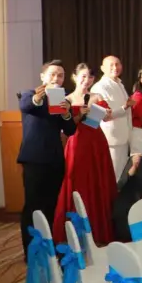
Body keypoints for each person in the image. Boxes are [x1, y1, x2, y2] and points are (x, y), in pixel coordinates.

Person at [53, 62, 118, 244]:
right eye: (83, 76)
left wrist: (106, 113)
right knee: (77, 180)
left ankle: (99, 228)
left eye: (90, 77)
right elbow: (63, 126)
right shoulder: (66, 99)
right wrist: (80, 115)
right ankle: (74, 229)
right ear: (74, 77)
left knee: (98, 181)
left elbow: (107, 117)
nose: (86, 80)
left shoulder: (97, 96)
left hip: (96, 142)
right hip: (76, 142)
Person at [20, 60, 77, 252]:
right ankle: (31, 250)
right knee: (33, 205)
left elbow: (70, 130)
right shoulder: (30, 94)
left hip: (55, 160)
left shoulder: (62, 100)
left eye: (60, 75)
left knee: (51, 205)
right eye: (52, 74)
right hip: (34, 159)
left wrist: (67, 113)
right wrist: (37, 98)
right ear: (42, 76)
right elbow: (26, 106)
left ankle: (48, 246)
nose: (56, 78)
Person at [92, 55, 131, 177]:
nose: (115, 67)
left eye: (117, 64)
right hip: (111, 139)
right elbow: (102, 115)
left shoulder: (119, 83)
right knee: (112, 174)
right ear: (103, 68)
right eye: (111, 65)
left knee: (121, 174)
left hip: (123, 136)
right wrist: (124, 107)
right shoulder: (100, 87)